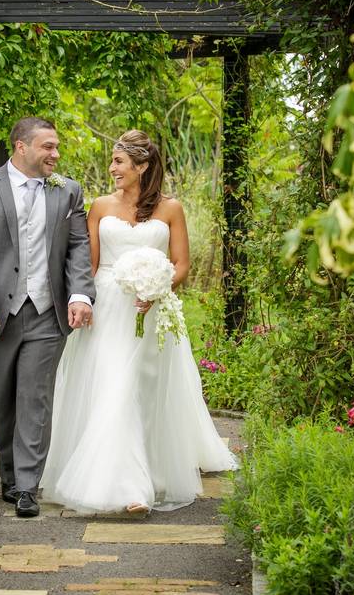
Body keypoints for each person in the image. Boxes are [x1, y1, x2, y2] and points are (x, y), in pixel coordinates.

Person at [39, 129, 238, 514]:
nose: (112, 168)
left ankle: (146, 469)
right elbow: (89, 264)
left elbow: (181, 265)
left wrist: (158, 286)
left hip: (153, 310)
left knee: (143, 389)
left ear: (142, 166)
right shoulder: (99, 206)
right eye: (112, 161)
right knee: (117, 386)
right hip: (108, 309)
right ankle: (128, 489)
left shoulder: (171, 209)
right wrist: (80, 301)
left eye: (119, 161)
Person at [0, 116, 96, 518]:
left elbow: (78, 248)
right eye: (47, 146)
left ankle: (28, 488)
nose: (55, 154)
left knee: (36, 397)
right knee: (0, 400)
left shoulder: (68, 191)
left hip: (48, 313)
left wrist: (81, 293)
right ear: (21, 146)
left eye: (56, 147)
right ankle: (11, 477)